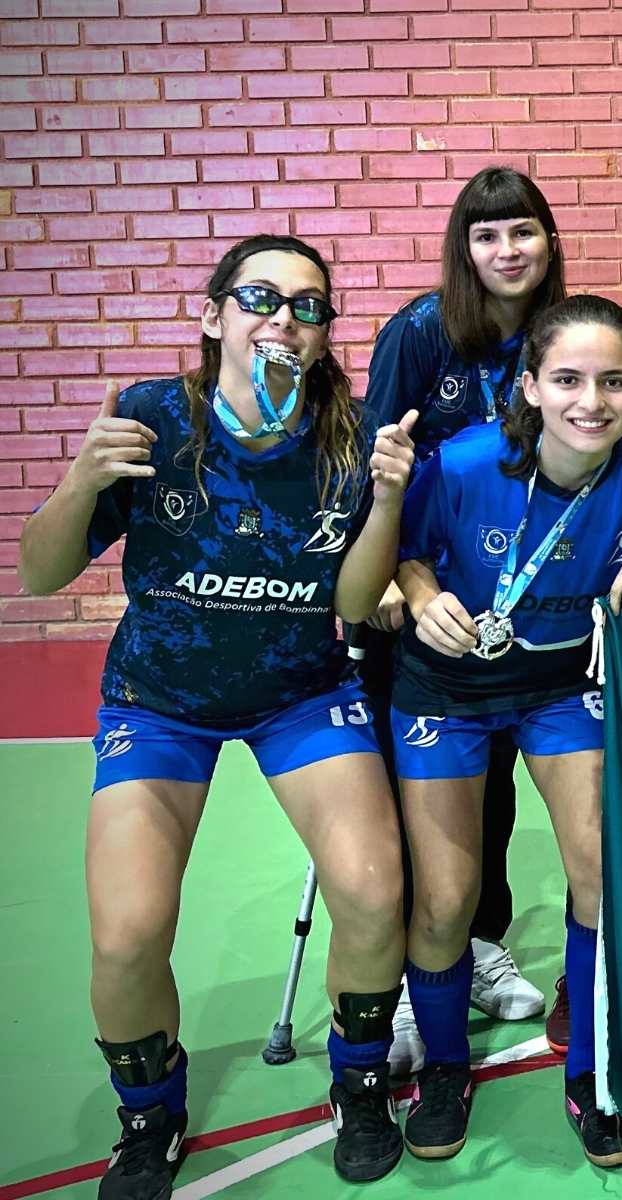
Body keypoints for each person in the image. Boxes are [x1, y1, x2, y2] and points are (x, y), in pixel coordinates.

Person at [17, 234, 420, 1195]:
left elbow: (356, 605)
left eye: (309, 305)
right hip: (162, 703)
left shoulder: (354, 437)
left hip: (302, 693)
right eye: (259, 296)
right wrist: (80, 477)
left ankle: (357, 1084)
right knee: (125, 934)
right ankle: (149, 1117)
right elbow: (40, 573)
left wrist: (388, 504)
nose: (284, 317)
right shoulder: (155, 420)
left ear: (325, 336)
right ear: (213, 316)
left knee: (371, 890)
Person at [387, 295, 622, 1166]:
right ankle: (441, 1066)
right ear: (531, 386)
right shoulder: (466, 463)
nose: (592, 401)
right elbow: (406, 548)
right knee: (444, 900)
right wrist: (425, 598)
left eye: (614, 382)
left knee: (598, 872)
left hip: (559, 685)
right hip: (447, 686)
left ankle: (593, 1072)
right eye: (569, 380)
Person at [362, 167, 566, 1070]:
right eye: (487, 237)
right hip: (423, 599)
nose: (507, 251)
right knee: (425, 798)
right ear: (465, 247)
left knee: (497, 783)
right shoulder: (419, 331)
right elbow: (374, 460)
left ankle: (479, 947)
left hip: (524, 601)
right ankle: (412, 979)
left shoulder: (560, 337)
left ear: (548, 241)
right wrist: (387, 577)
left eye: (522, 232)